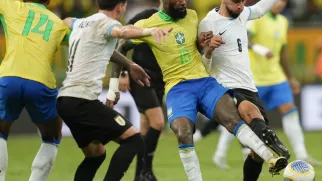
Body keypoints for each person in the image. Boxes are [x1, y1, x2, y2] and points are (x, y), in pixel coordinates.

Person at [110, 0, 288, 180]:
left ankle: (270, 157)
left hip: (204, 82)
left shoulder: (193, 17)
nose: (183, 3)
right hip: (177, 88)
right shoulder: (147, 24)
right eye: (178, 0)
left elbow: (194, 47)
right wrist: (117, 81)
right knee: (183, 132)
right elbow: (120, 46)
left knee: (232, 118)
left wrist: (204, 45)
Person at [56, 0, 171, 180]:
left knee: (96, 155)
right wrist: (149, 31)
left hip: (65, 100)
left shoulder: (82, 22)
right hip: (83, 100)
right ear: (120, 6)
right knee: (134, 140)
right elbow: (123, 32)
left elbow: (66, 22)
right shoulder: (108, 23)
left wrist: (129, 64)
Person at [198, 0, 291, 180]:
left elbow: (260, 8)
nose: (240, 6)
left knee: (256, 153)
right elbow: (202, 67)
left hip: (249, 86)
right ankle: (276, 145)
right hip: (224, 87)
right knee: (248, 110)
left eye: (242, 1)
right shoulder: (208, 23)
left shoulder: (242, 14)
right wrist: (208, 51)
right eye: (236, 2)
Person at [247, 0, 322, 166]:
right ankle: (221, 153)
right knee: (246, 116)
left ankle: (302, 154)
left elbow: (282, 52)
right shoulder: (256, 18)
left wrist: (290, 77)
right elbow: (246, 40)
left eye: (282, 1)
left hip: (277, 77)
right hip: (256, 78)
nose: (279, 4)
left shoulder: (283, 21)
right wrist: (260, 49)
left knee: (290, 110)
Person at [0, 0, 70, 180]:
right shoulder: (58, 23)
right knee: (52, 136)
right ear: (48, 1)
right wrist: (128, 65)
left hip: (9, 78)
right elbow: (89, 41)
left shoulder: (11, 5)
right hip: (41, 82)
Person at [109, 8, 165, 181]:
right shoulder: (147, 16)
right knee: (158, 122)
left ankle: (139, 175)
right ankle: (146, 170)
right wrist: (124, 73)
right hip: (140, 76)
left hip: (160, 79)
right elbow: (122, 41)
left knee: (146, 126)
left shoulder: (177, 22)